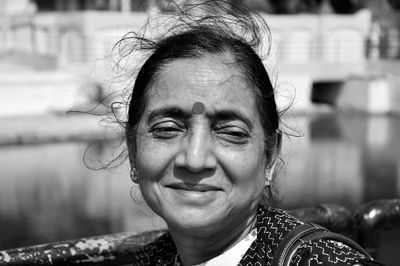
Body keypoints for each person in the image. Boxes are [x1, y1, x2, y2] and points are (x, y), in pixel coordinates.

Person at [115, 1, 384, 265]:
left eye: (231, 133)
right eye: (167, 129)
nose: (195, 159)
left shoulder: (320, 261)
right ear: (132, 150)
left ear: (269, 158)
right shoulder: (152, 258)